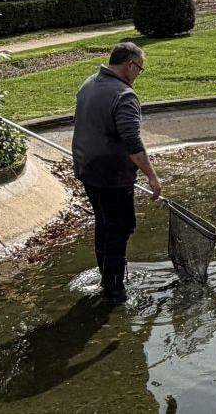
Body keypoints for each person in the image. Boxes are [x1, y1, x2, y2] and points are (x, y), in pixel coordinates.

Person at [72, 42, 162, 304]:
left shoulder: (89, 83)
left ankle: (106, 277)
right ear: (130, 65)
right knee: (121, 227)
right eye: (140, 70)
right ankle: (114, 289)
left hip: (87, 170)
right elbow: (133, 143)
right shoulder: (124, 96)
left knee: (104, 222)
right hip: (112, 176)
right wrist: (152, 177)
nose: (138, 75)